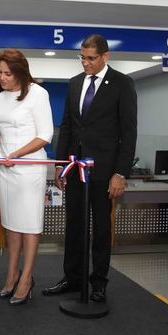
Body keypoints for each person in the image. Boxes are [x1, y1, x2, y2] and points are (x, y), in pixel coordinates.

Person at [43, 34, 137, 303]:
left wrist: (120, 173)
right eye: (82, 57)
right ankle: (72, 278)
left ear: (105, 57)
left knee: (101, 229)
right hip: (75, 170)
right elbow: (68, 128)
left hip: (105, 172)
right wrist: (61, 167)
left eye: (91, 58)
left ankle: (99, 282)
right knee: (73, 225)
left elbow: (129, 132)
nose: (85, 63)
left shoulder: (122, 84)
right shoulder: (74, 84)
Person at [0, 49, 53, 305]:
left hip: (29, 167)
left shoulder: (38, 94)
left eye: (7, 73)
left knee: (29, 223)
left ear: (20, 72)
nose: (2, 78)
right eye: (0, 73)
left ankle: (26, 278)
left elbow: (45, 135)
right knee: (12, 223)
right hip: (5, 167)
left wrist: (16, 153)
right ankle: (12, 272)